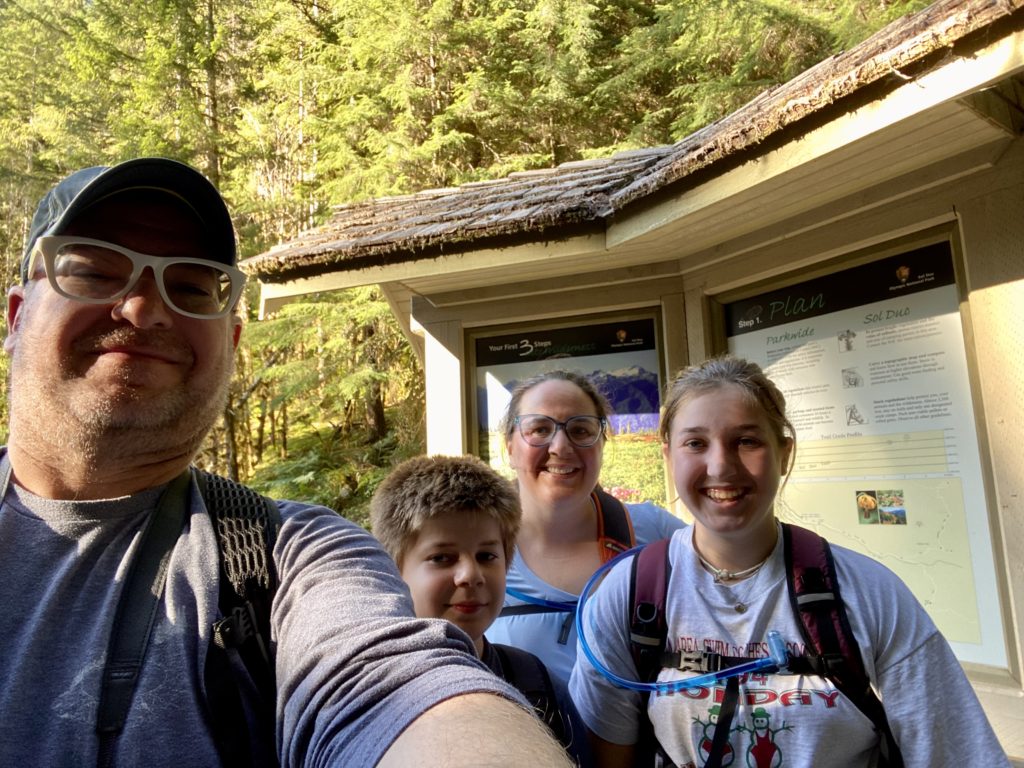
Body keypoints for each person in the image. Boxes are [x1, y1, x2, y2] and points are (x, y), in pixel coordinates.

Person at [0, 158, 573, 768]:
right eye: (92, 271)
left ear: (232, 340)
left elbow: (391, 685)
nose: (144, 310)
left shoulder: (289, 558)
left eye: (191, 286)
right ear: (15, 317)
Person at [569, 355, 1008, 767]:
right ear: (669, 455)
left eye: (746, 441)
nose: (720, 466)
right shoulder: (627, 595)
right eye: (696, 443)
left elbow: (955, 753)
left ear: (784, 453)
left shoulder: (869, 593)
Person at [370, 454, 593, 766]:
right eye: (442, 558)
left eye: (486, 556)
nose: (470, 575)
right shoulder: (369, 695)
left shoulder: (536, 684)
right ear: (394, 569)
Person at [485, 370, 685, 685]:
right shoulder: (474, 548)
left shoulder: (654, 534)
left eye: (580, 430)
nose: (561, 447)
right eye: (539, 428)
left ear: (601, 445)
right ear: (510, 447)